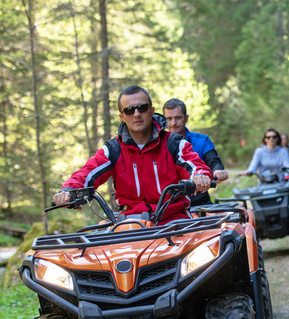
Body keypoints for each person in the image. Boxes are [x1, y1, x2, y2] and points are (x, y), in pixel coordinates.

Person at [53, 85, 212, 224]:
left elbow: (195, 165)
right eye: (129, 110)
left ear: (151, 111)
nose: (136, 114)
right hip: (131, 225)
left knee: (203, 254)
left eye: (142, 108)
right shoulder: (113, 149)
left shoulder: (174, 143)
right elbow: (87, 173)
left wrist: (200, 176)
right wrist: (68, 190)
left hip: (175, 221)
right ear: (122, 116)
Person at [163, 98, 229, 206]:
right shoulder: (156, 145)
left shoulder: (202, 141)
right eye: (169, 118)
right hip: (168, 207)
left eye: (178, 118)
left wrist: (217, 171)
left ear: (186, 118)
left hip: (200, 203)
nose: (173, 123)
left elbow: (214, 161)